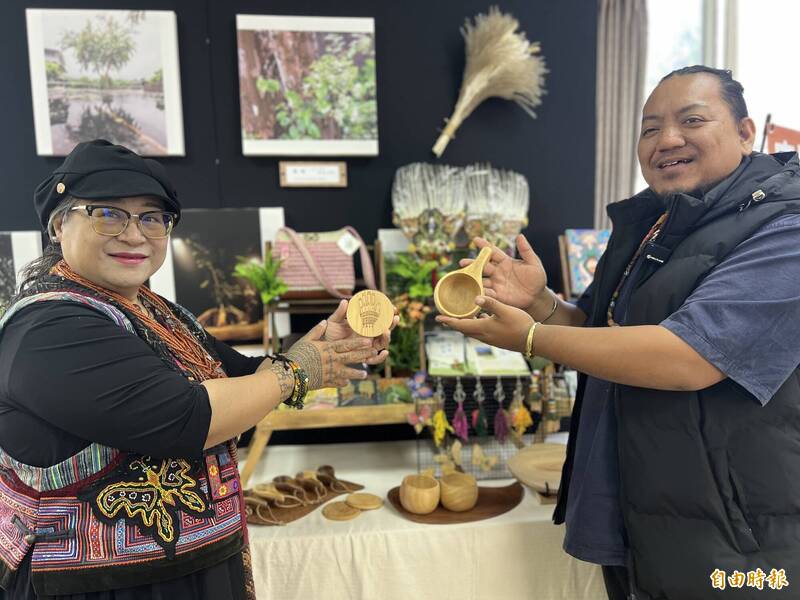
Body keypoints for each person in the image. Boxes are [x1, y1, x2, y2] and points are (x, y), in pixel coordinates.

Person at [438, 65, 800, 599]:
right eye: (650, 128)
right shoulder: (654, 223)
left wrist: (531, 338)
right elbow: (599, 332)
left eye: (691, 121)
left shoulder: (784, 228)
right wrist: (541, 303)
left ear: (745, 133)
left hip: (739, 540)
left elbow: (690, 357)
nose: (666, 140)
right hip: (645, 512)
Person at [0, 139, 394, 600]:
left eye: (152, 218)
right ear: (58, 224)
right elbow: (185, 417)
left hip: (186, 569)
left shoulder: (156, 311)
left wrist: (323, 347)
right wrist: (294, 373)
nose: (134, 235)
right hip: (98, 585)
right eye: (108, 213)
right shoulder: (49, 327)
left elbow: (243, 377)